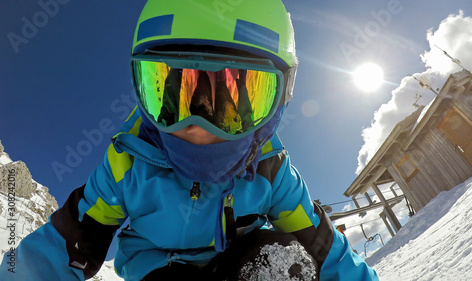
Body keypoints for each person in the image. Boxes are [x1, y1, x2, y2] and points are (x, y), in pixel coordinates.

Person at [0, 0, 379, 280]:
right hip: (160, 269)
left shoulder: (269, 168)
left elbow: (325, 249)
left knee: (285, 262)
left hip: (242, 265)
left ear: (279, 103)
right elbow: (61, 247)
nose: (199, 126)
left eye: (236, 100)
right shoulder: (128, 164)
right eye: (172, 96)